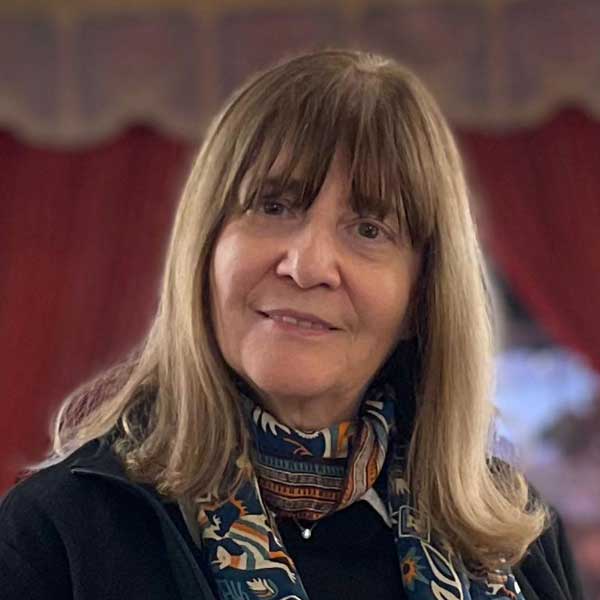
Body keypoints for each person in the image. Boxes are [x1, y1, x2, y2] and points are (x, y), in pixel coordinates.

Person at [0, 49, 584, 600]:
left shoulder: (517, 535)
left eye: (369, 229)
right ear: (204, 250)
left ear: (421, 297)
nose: (307, 267)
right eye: (274, 206)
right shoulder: (57, 533)